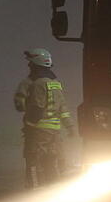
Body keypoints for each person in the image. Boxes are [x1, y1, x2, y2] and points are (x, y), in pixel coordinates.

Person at [14, 48, 75, 189]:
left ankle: (34, 192)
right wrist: (70, 127)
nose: (29, 66)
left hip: (38, 131)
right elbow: (63, 109)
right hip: (55, 133)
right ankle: (53, 192)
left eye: (30, 63)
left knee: (33, 162)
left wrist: (29, 124)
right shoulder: (55, 84)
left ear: (35, 64)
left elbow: (37, 107)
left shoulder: (36, 84)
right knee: (53, 163)